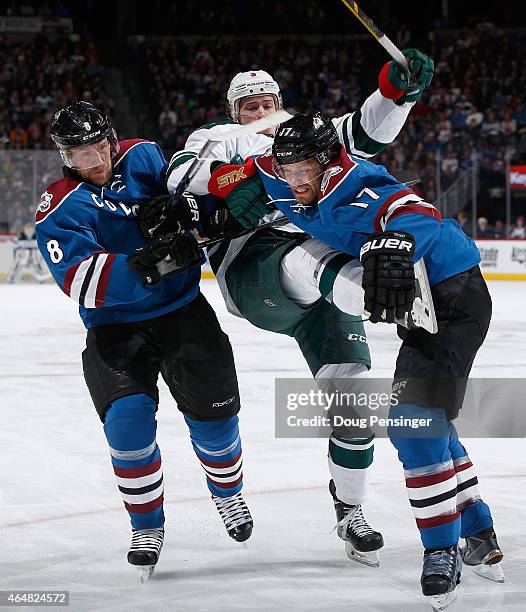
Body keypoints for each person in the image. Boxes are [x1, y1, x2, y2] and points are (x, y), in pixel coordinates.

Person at [139, 49, 435, 567]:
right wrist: (237, 175)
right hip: (254, 264)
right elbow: (180, 177)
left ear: (279, 100)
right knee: (310, 260)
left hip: (325, 277)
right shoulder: (216, 137)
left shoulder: (305, 132)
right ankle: (392, 298)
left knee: (354, 401)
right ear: (234, 111)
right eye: (248, 104)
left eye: (265, 101)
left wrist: (394, 93)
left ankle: (351, 509)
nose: (258, 110)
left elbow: (365, 133)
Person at [213, 111, 504, 609]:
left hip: (453, 295)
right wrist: (225, 194)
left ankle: (441, 552)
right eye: (288, 171)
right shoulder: (279, 171)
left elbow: (416, 212)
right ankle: (478, 531)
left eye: (306, 170)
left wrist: (398, 241)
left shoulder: (358, 182)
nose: (295, 181)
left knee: (415, 422)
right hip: (420, 306)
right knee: (429, 418)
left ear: (329, 162)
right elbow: (238, 175)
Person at [34, 101, 253, 581]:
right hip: (116, 329)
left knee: (216, 421)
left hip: (184, 314)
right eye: (78, 155)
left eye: (96, 149)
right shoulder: (60, 203)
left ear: (111, 140)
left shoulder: (146, 158)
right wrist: (153, 262)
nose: (92, 162)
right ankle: (146, 525)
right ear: (64, 157)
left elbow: (198, 197)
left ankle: (228, 493)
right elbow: (79, 279)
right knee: (127, 425)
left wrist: (194, 211)